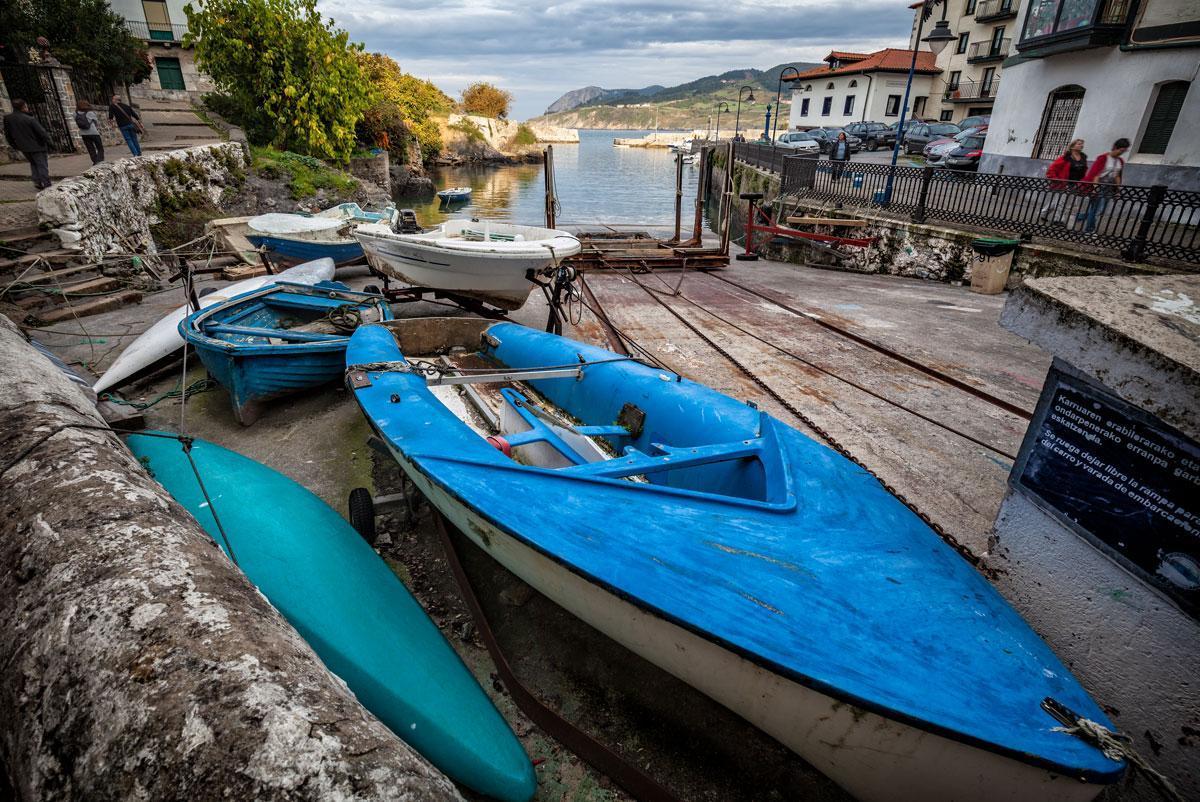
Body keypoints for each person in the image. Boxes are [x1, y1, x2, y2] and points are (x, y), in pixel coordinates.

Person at [1076, 138, 1129, 234]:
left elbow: (1117, 176)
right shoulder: (1103, 158)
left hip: (1109, 187)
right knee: (1096, 209)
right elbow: (1095, 174)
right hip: (1098, 186)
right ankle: (1089, 230)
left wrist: (1118, 190)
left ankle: (1079, 217)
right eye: (1121, 150)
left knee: (1101, 210)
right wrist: (1095, 189)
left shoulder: (1120, 161)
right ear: (1115, 147)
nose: (1121, 153)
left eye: (1124, 151)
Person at [3, 99, 53, 189]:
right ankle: (46, 183)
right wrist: (50, 143)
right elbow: (42, 132)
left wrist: (15, 145)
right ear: (23, 107)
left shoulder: (8, 119)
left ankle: (37, 181)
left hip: (23, 146)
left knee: (33, 163)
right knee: (42, 165)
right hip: (37, 145)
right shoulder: (29, 119)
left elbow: (8, 134)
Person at [1038, 138, 1087, 225]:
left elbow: (1084, 171)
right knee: (1061, 202)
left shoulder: (1083, 158)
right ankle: (1058, 220)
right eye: (1079, 144)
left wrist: (1083, 182)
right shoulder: (1066, 157)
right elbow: (1052, 169)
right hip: (1064, 183)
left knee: (1061, 203)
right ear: (1072, 146)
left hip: (1075, 184)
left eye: (1082, 144)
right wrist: (1056, 179)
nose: (1081, 145)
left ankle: (1044, 213)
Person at [75, 100, 104, 165]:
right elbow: (96, 122)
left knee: (90, 148)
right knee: (99, 147)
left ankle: (95, 161)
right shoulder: (90, 113)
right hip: (93, 133)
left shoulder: (75, 114)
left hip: (84, 134)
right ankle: (100, 160)